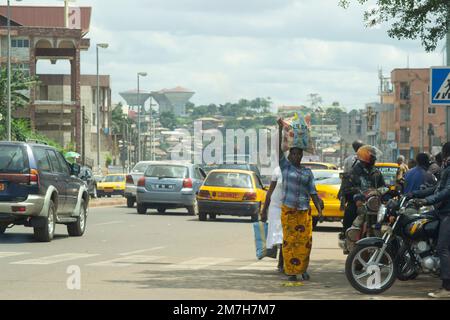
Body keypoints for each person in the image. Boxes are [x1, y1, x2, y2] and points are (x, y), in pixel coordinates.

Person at [277, 119, 324, 282]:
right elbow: (278, 151)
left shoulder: (307, 173)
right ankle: (291, 271)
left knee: (305, 243)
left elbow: (313, 193)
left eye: (298, 154)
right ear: (290, 155)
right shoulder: (285, 167)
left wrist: (320, 210)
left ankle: (302, 269)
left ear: (301, 155)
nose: (296, 156)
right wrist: (279, 130)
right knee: (290, 242)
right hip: (289, 210)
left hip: (304, 211)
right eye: (293, 153)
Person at [411, 142, 450, 298]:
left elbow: (447, 191)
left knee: (442, 247)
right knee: (419, 219)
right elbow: (437, 188)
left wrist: (427, 201)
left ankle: (447, 287)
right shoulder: (446, 167)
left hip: (448, 212)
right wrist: (415, 195)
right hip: (440, 210)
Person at [339, 145, 386, 252]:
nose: (375, 159)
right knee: (349, 213)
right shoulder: (353, 172)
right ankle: (347, 239)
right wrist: (357, 195)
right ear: (366, 158)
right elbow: (346, 189)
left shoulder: (376, 172)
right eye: (373, 157)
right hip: (358, 203)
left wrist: (386, 192)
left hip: (374, 204)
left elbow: (383, 186)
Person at [261, 166, 284, 273]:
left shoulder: (299, 170)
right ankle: (280, 261)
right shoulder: (277, 170)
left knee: (285, 237)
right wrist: (264, 209)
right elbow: (270, 191)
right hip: (276, 208)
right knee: (277, 236)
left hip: (290, 208)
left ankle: (282, 262)